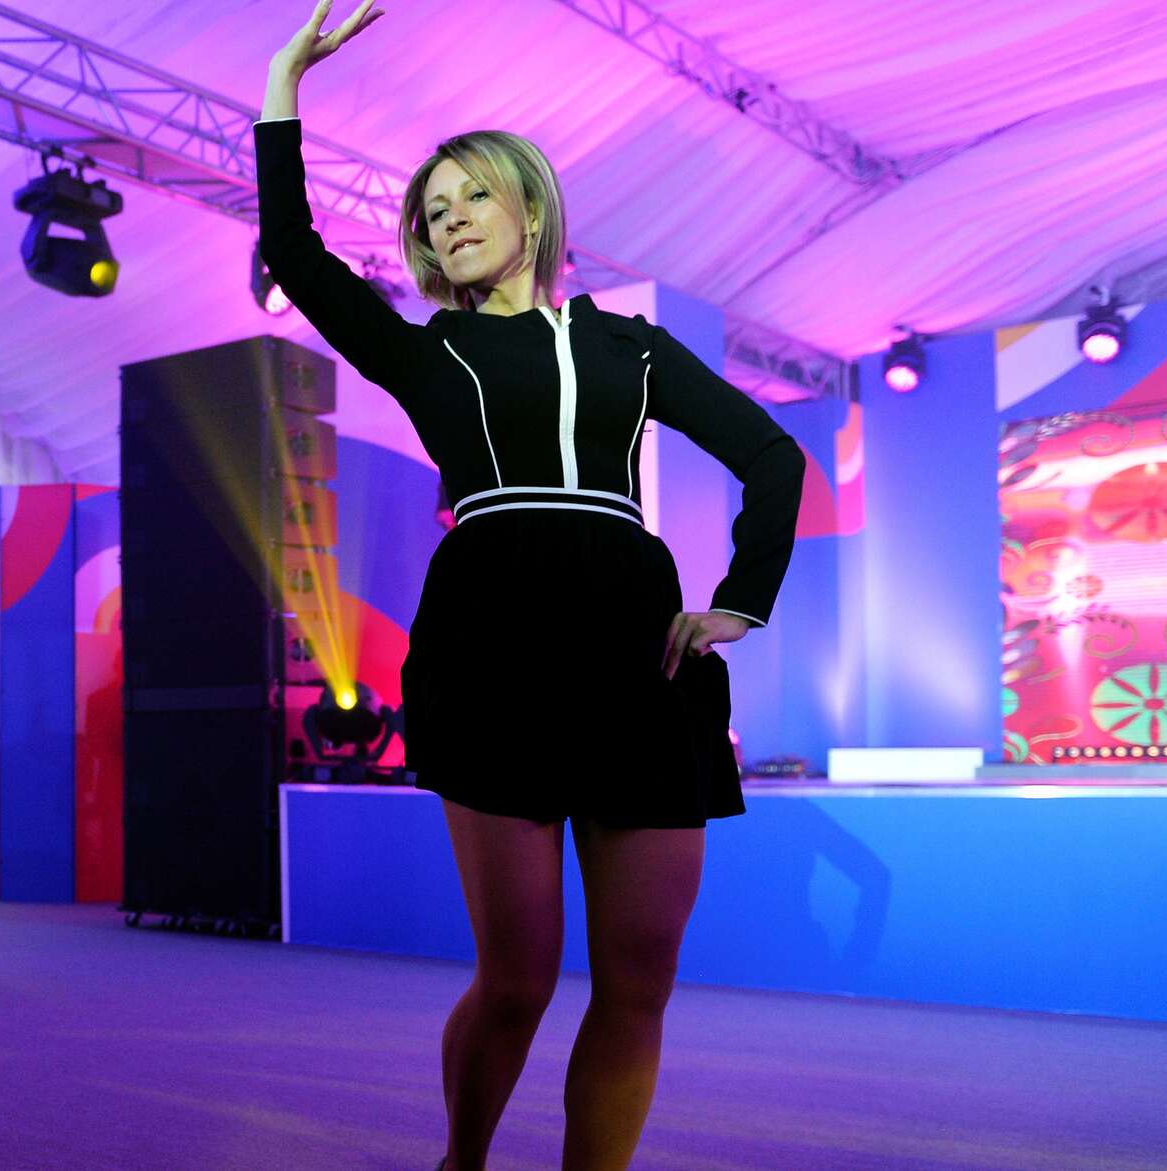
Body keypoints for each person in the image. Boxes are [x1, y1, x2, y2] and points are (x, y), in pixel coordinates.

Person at [258, 5, 804, 1168]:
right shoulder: (422, 351)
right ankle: (460, 1161)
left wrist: (741, 598)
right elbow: (295, 255)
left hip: (636, 659)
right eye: (430, 211)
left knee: (638, 979)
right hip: (489, 649)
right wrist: (282, 82)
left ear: (530, 210)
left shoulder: (628, 347)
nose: (448, 219)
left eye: (471, 197)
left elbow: (771, 454)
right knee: (516, 977)